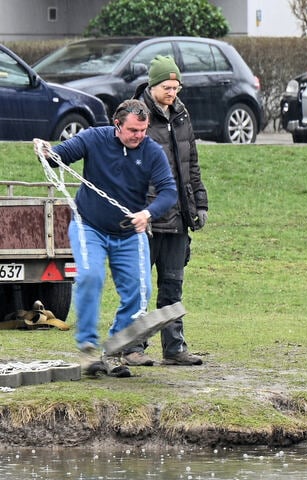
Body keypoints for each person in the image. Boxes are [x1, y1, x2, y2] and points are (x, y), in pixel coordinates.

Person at [38, 99, 177, 377]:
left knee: (141, 292)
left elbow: (169, 191)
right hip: (89, 226)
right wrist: (45, 151)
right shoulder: (94, 137)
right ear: (117, 125)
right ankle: (88, 347)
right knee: (90, 277)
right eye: (133, 130)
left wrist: (148, 214)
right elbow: (60, 156)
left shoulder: (151, 152)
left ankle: (115, 347)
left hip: (129, 231)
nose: (140, 135)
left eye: (143, 130)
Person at [120, 55, 208, 367]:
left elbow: (191, 164)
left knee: (173, 284)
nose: (172, 93)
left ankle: (174, 347)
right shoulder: (135, 116)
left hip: (178, 217)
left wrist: (200, 202)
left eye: (176, 87)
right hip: (146, 218)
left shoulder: (182, 115)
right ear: (153, 86)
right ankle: (134, 347)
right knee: (140, 287)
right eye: (167, 87)